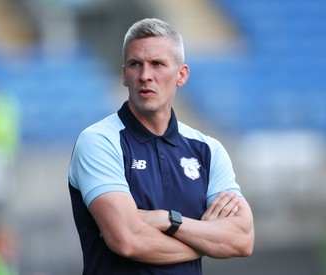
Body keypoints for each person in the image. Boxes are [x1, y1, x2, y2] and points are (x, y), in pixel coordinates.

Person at [68, 18, 254, 274]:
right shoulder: (100, 142)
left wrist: (168, 220)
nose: (145, 76)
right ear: (124, 75)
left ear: (181, 75)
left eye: (157, 64)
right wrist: (205, 242)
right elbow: (127, 240)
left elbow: (242, 239)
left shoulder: (207, 150)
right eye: (136, 65)